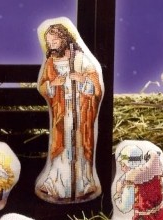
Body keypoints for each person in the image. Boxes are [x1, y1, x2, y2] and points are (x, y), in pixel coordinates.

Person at [36, 23, 103, 202]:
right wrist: (53, 84)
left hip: (80, 111)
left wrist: (82, 80)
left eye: (55, 41)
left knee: (79, 146)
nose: (51, 45)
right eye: (49, 42)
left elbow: (97, 87)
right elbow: (42, 87)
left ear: (64, 39)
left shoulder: (80, 59)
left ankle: (82, 185)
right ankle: (58, 186)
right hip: (62, 111)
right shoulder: (50, 63)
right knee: (63, 146)